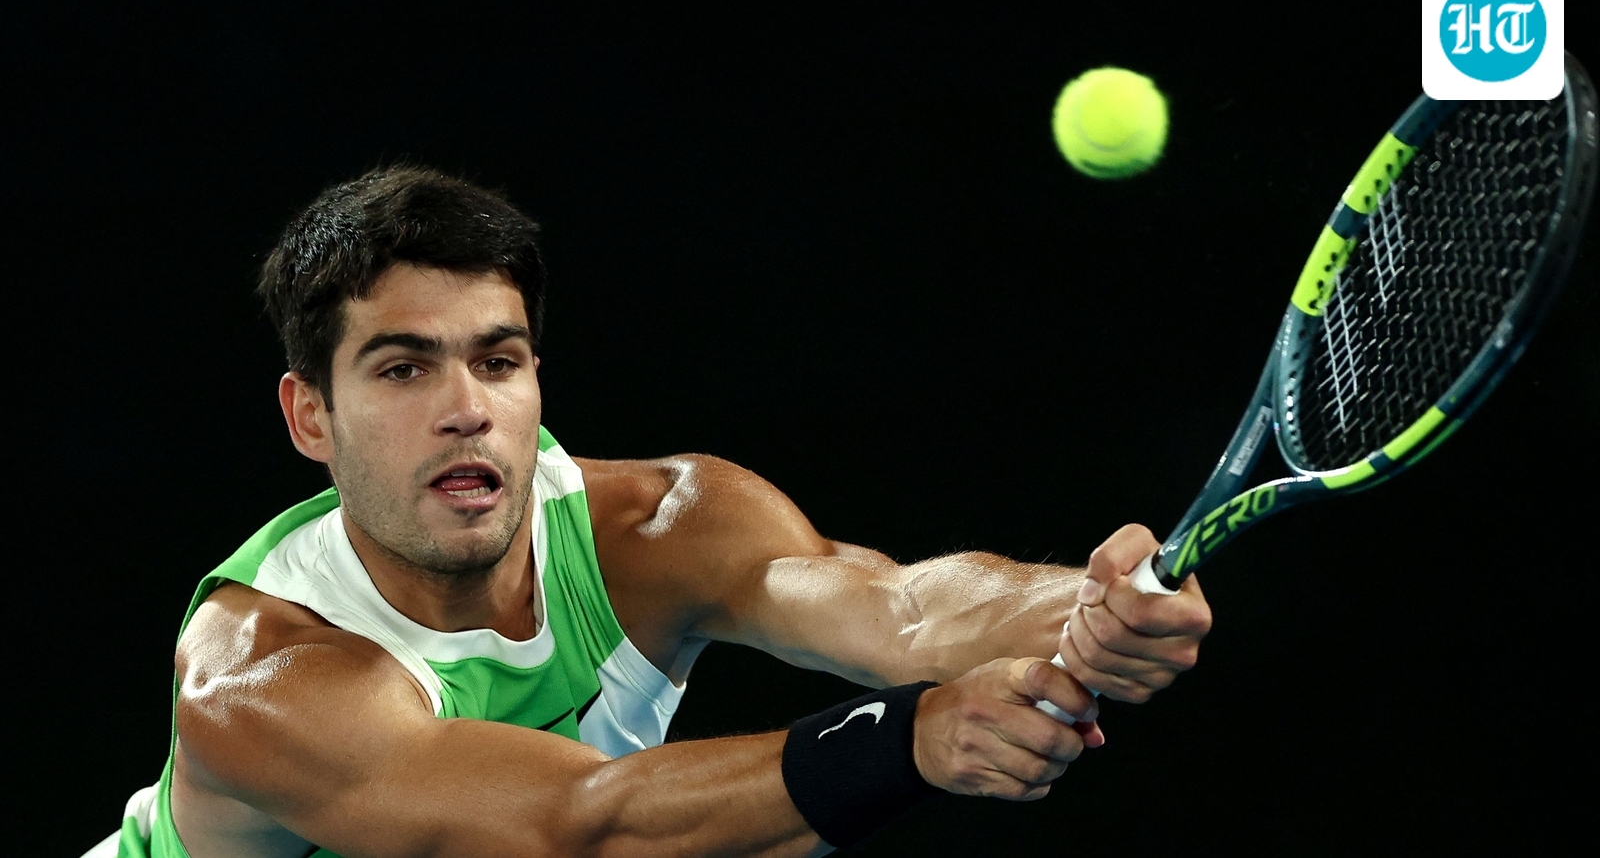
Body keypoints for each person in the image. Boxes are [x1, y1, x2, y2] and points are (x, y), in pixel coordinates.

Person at [89, 165, 1212, 858]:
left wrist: (1089, 604)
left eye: (499, 360)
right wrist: (910, 740)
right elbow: (571, 829)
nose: (466, 410)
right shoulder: (261, 682)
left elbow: (901, 612)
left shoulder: (662, 527)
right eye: (402, 370)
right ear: (309, 417)